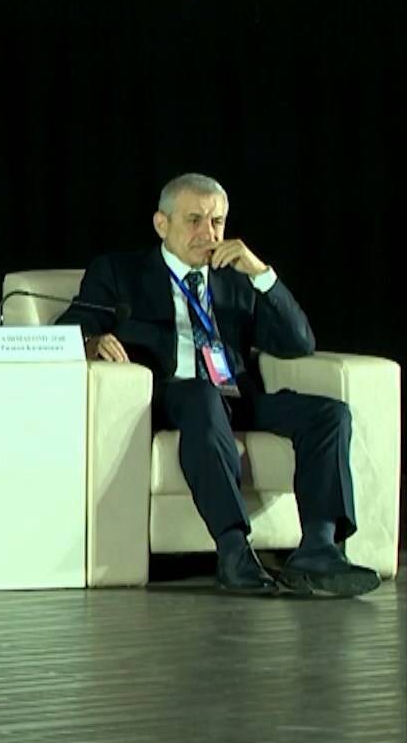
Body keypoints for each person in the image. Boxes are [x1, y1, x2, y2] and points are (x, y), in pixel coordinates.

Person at [58, 173, 379, 597]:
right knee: (201, 396)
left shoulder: (234, 276)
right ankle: (233, 550)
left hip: (235, 395)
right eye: (194, 220)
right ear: (161, 224)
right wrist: (93, 342)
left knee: (329, 414)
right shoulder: (121, 272)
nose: (208, 234)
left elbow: (299, 343)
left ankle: (318, 549)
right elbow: (66, 331)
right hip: (168, 395)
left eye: (217, 222)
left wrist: (261, 274)